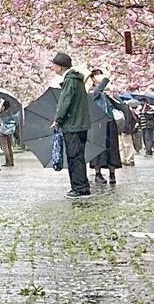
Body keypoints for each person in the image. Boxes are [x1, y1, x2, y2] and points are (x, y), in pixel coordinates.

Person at [52, 52, 91, 199]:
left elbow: (65, 102)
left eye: (54, 64)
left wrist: (58, 120)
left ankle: (78, 188)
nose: (53, 67)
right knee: (79, 156)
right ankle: (83, 186)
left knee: (74, 156)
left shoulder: (70, 80)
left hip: (73, 124)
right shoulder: (77, 79)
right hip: (81, 123)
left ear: (60, 66)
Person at [88, 70, 122, 184]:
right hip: (97, 122)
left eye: (100, 74)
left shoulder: (106, 92)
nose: (99, 76)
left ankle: (112, 173)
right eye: (96, 74)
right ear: (92, 78)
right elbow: (94, 95)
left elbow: (120, 104)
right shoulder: (91, 90)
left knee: (112, 147)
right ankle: (98, 173)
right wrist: (104, 81)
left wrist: (112, 95)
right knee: (98, 148)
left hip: (110, 120)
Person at [117, 99, 137, 166]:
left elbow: (128, 120)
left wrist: (125, 128)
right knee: (121, 145)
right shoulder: (123, 108)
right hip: (119, 129)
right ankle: (123, 159)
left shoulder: (126, 108)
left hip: (124, 129)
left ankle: (129, 159)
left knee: (127, 145)